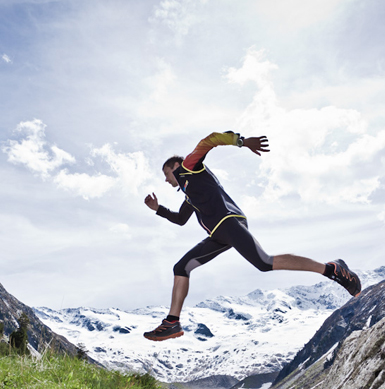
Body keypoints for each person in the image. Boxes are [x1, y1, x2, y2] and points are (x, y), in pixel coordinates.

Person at [142, 131, 361, 341]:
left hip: (228, 222)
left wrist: (242, 142)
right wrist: (158, 209)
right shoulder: (190, 193)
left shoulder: (190, 167)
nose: (166, 180)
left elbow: (209, 140)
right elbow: (181, 219)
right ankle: (172, 322)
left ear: (176, 167)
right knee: (181, 267)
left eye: (166, 174)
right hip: (219, 234)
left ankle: (332, 269)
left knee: (264, 263)